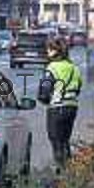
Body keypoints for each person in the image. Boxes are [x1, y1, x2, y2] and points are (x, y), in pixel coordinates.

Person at [37, 36, 83, 168]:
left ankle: (61, 171)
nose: (47, 51)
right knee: (65, 140)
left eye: (49, 49)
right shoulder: (74, 68)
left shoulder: (52, 67)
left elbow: (45, 89)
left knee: (56, 140)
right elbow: (78, 87)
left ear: (55, 51)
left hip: (57, 108)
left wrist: (44, 99)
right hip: (72, 107)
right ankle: (69, 171)